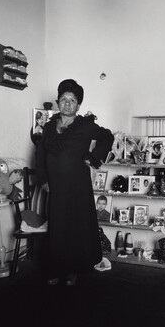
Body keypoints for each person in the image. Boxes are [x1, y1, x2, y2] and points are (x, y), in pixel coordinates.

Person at [34, 78, 113, 286]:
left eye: (72, 100)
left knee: (76, 228)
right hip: (56, 186)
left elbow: (107, 137)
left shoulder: (85, 126)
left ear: (78, 106)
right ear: (58, 102)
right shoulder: (49, 127)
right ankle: (55, 269)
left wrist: (93, 157)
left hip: (78, 186)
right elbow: (40, 154)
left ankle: (73, 270)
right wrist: (43, 178)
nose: (67, 103)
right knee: (58, 228)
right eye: (63, 99)